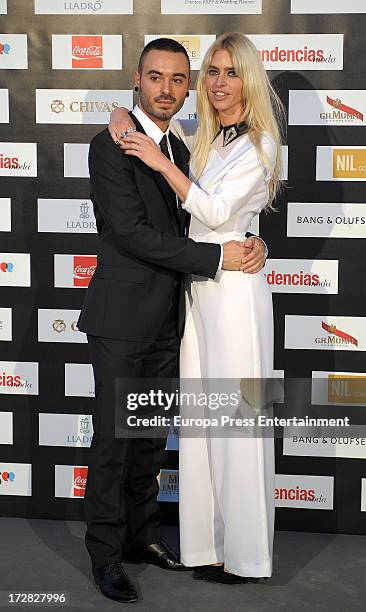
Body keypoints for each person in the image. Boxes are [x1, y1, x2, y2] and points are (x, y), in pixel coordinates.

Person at [77, 37, 266, 604]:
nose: (166, 88)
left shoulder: (183, 149)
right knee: (114, 439)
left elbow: (213, 214)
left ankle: (141, 537)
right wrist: (218, 258)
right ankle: (106, 556)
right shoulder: (110, 146)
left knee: (149, 437)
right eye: (155, 77)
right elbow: (133, 233)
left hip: (171, 316)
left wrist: (252, 242)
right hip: (122, 315)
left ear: (188, 88)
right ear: (137, 80)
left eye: (178, 79)